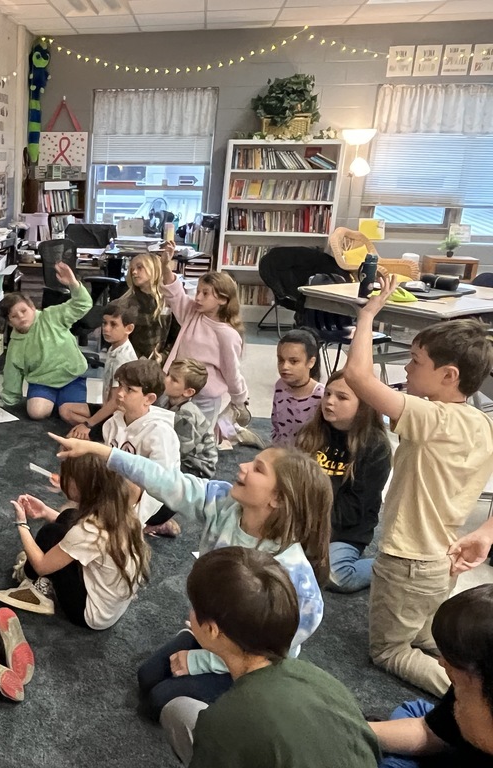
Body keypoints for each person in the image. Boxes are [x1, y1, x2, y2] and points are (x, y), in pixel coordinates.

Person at [49, 434, 329, 718]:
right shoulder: (224, 504)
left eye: (257, 468)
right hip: (212, 632)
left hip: (248, 662)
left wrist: (200, 662)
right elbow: (165, 480)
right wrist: (102, 451)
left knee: (159, 702)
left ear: (278, 499)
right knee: (147, 678)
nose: (242, 466)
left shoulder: (294, 577)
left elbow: (270, 652)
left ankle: (251, 704)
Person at [344, 274, 493, 696]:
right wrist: (485, 532)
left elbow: (357, 375)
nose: (406, 368)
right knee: (428, 634)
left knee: (391, 649)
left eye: (414, 361)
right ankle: (472, 668)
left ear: (449, 375)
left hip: (407, 560)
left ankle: (465, 696)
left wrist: (369, 312)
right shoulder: (481, 421)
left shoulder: (434, 420)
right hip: (442, 559)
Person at [159, 547, 381, 768]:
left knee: (176, 711)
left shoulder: (224, 721)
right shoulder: (323, 681)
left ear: (212, 629)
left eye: (194, 608)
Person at [0, 454, 150, 630]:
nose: (63, 480)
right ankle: (45, 580)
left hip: (87, 614)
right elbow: (76, 531)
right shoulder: (121, 513)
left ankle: (33, 584)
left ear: (82, 486)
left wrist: (22, 524)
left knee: (50, 533)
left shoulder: (89, 530)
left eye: (69, 477)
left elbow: (41, 565)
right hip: (110, 608)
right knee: (68, 517)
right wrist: (45, 512)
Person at [371, 584, 493, 768]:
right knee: (413, 710)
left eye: (454, 659)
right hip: (465, 741)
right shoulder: (475, 686)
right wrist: (355, 729)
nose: (440, 661)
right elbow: (432, 732)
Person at [295, 369, 391, 593]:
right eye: (327, 394)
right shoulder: (311, 433)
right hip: (304, 519)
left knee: (335, 576)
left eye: (342, 397)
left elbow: (355, 510)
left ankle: (388, 566)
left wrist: (310, 526)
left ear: (365, 404)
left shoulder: (376, 448)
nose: (329, 401)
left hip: (345, 530)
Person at [159, 247, 250, 428]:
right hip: (177, 387)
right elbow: (175, 294)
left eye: (205, 293)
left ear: (223, 299)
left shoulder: (227, 334)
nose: (198, 297)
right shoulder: (193, 312)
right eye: (198, 291)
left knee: (199, 435)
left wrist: (240, 399)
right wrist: (165, 266)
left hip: (204, 396)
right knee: (171, 429)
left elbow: (231, 371)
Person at [0, 262, 93, 421]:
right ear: (9, 323)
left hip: (71, 377)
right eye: (14, 316)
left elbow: (82, 304)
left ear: (32, 308)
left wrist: (73, 284)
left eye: (23, 311)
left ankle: (65, 404)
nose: (21, 317)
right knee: (36, 412)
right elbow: (12, 374)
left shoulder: (51, 316)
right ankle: (56, 402)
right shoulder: (15, 345)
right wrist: (8, 401)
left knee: (70, 414)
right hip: (42, 382)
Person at [101, 359, 180, 528]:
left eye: (129, 389)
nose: (120, 393)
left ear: (149, 398)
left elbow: (160, 484)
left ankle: (155, 524)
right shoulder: (111, 424)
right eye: (120, 385)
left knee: (132, 483)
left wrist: (135, 523)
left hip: (158, 500)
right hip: (121, 492)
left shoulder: (160, 432)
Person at [150, 358, 219, 538]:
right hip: (179, 455)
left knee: (160, 478)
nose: (166, 380)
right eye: (168, 375)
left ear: (188, 392)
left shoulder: (187, 415)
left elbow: (178, 451)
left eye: (174, 380)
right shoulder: (166, 399)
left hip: (196, 466)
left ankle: (156, 522)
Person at [66, 300, 138, 441]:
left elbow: (115, 402)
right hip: (108, 406)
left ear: (128, 329)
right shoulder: (114, 347)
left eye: (113, 324)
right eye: (104, 323)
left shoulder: (123, 358)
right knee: (66, 409)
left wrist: (88, 424)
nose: (106, 329)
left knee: (71, 437)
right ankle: (94, 432)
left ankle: (99, 434)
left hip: (117, 415)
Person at [271, 329, 324, 448]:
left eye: (293, 361)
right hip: (282, 453)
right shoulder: (280, 386)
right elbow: (276, 423)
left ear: (311, 362)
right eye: (280, 360)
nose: (284, 367)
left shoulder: (320, 395)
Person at [120, 253, 166, 360]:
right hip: (133, 359)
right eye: (132, 269)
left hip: (162, 360)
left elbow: (175, 336)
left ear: (153, 268)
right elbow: (122, 338)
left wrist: (164, 356)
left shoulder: (167, 301)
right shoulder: (126, 303)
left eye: (140, 267)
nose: (134, 272)